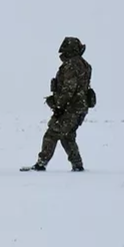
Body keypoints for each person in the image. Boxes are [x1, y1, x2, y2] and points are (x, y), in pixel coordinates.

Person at [26, 36, 95, 172]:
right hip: (81, 107)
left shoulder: (70, 65)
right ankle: (77, 165)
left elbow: (69, 88)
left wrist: (59, 106)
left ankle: (41, 164)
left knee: (51, 134)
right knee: (67, 136)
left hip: (70, 108)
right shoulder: (85, 65)